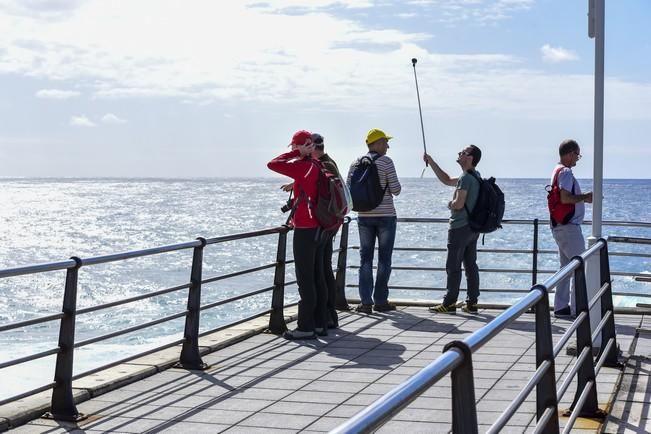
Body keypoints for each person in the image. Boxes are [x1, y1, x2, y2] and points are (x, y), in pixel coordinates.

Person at [267, 130, 328, 339]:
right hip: (317, 225)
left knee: (305, 278)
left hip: (305, 228)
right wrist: (302, 152)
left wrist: (296, 153)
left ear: (300, 145)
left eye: (293, 146)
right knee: (316, 275)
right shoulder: (316, 164)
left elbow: (273, 164)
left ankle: (306, 327)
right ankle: (320, 323)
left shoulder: (304, 166)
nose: (291, 150)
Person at [347, 128, 401, 314]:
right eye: (385, 141)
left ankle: (365, 302)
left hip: (364, 216)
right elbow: (396, 189)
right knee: (384, 259)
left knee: (365, 259)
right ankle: (380, 300)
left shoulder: (355, 163)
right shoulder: (386, 162)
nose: (388, 145)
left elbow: (348, 192)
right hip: (386, 216)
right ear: (377, 143)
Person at [424, 145, 482, 314]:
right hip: (472, 228)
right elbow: (447, 179)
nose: (459, 154)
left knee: (453, 265)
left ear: (470, 158)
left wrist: (449, 204)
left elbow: (459, 203)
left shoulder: (465, 178)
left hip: (459, 227)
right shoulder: (475, 176)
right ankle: (472, 302)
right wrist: (432, 162)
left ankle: (449, 302)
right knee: (471, 264)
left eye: (463, 153)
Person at [549, 139, 593, 317]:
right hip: (568, 227)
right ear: (569, 153)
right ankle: (578, 308)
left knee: (565, 267)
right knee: (579, 267)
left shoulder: (556, 170)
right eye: (577, 154)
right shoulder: (566, 172)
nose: (578, 158)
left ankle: (561, 306)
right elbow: (565, 198)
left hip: (559, 225)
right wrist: (585, 197)